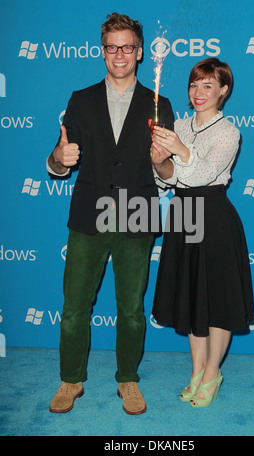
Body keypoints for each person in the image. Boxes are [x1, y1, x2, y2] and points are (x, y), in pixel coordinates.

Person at [47, 12, 174, 415]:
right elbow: (59, 158)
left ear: (139, 53)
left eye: (127, 47)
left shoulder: (160, 103)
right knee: (74, 306)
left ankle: (128, 380)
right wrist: (59, 158)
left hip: (137, 213)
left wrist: (162, 164)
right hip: (89, 214)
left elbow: (168, 172)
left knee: (132, 308)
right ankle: (71, 379)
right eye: (111, 47)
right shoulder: (80, 99)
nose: (119, 54)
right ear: (102, 51)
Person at [151, 58, 254, 408]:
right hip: (182, 215)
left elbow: (203, 174)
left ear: (223, 91)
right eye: (195, 85)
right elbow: (167, 180)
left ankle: (212, 374)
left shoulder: (229, 132)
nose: (199, 92)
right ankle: (196, 371)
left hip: (213, 217)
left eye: (208, 85)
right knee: (193, 296)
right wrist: (159, 160)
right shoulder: (178, 124)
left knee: (219, 302)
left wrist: (179, 150)